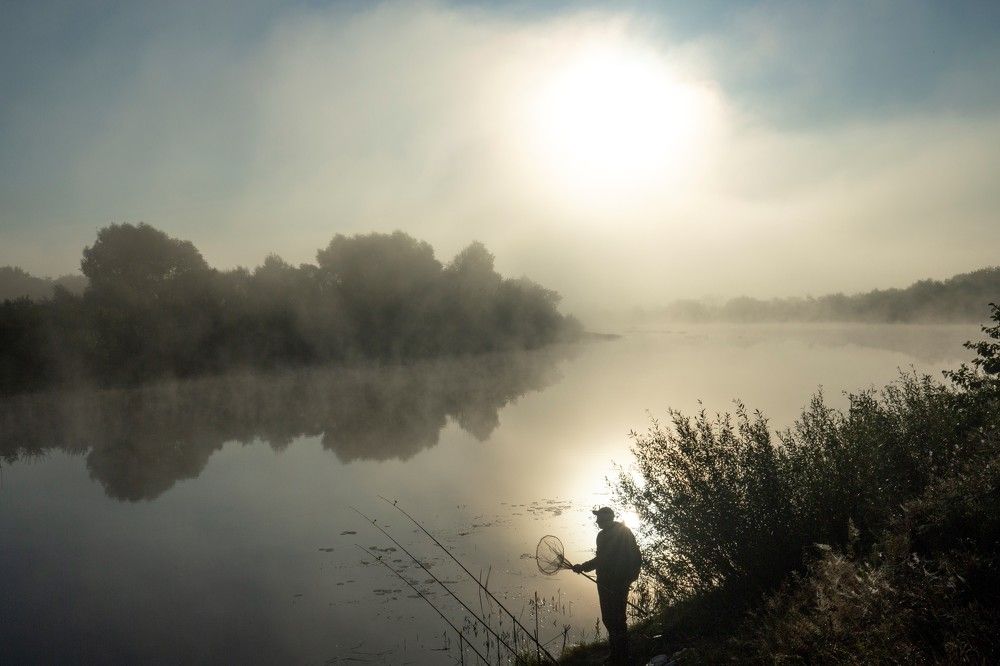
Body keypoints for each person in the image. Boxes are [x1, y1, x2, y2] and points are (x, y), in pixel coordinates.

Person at [572, 506, 641, 665]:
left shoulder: (604, 536)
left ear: (607, 519)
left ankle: (620, 657)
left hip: (609, 583)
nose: (597, 521)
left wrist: (582, 567)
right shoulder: (625, 531)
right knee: (616, 619)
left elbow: (601, 559)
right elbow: (636, 555)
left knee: (612, 619)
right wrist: (631, 577)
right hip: (616, 582)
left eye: (599, 519)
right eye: (597, 518)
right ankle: (618, 654)